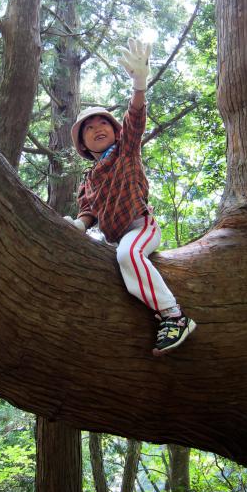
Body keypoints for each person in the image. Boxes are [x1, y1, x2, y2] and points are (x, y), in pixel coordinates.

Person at [64, 38, 196, 356]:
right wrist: (79, 227)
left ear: (114, 130)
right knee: (115, 260)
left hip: (140, 226)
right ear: (83, 145)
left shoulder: (126, 150)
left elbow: (134, 121)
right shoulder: (90, 178)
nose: (97, 128)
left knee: (128, 255)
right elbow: (89, 209)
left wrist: (139, 84)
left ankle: (174, 317)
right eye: (89, 128)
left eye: (103, 123)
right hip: (112, 239)